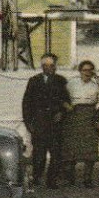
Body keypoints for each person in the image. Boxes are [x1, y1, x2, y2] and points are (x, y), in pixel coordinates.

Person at [22, 53, 71, 187]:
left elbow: (66, 101)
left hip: (55, 124)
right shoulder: (34, 81)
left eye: (51, 65)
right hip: (39, 124)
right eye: (45, 65)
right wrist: (29, 124)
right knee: (39, 154)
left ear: (55, 67)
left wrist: (61, 112)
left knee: (56, 154)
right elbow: (27, 104)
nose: (48, 68)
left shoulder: (61, 81)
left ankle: (52, 180)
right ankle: (37, 177)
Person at [63, 59, 99, 187]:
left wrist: (97, 78)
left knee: (89, 150)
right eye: (85, 70)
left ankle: (87, 179)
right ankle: (70, 179)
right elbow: (62, 96)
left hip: (89, 116)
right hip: (74, 116)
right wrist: (66, 105)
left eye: (90, 70)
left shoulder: (95, 85)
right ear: (80, 71)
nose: (87, 73)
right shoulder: (72, 83)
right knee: (72, 149)